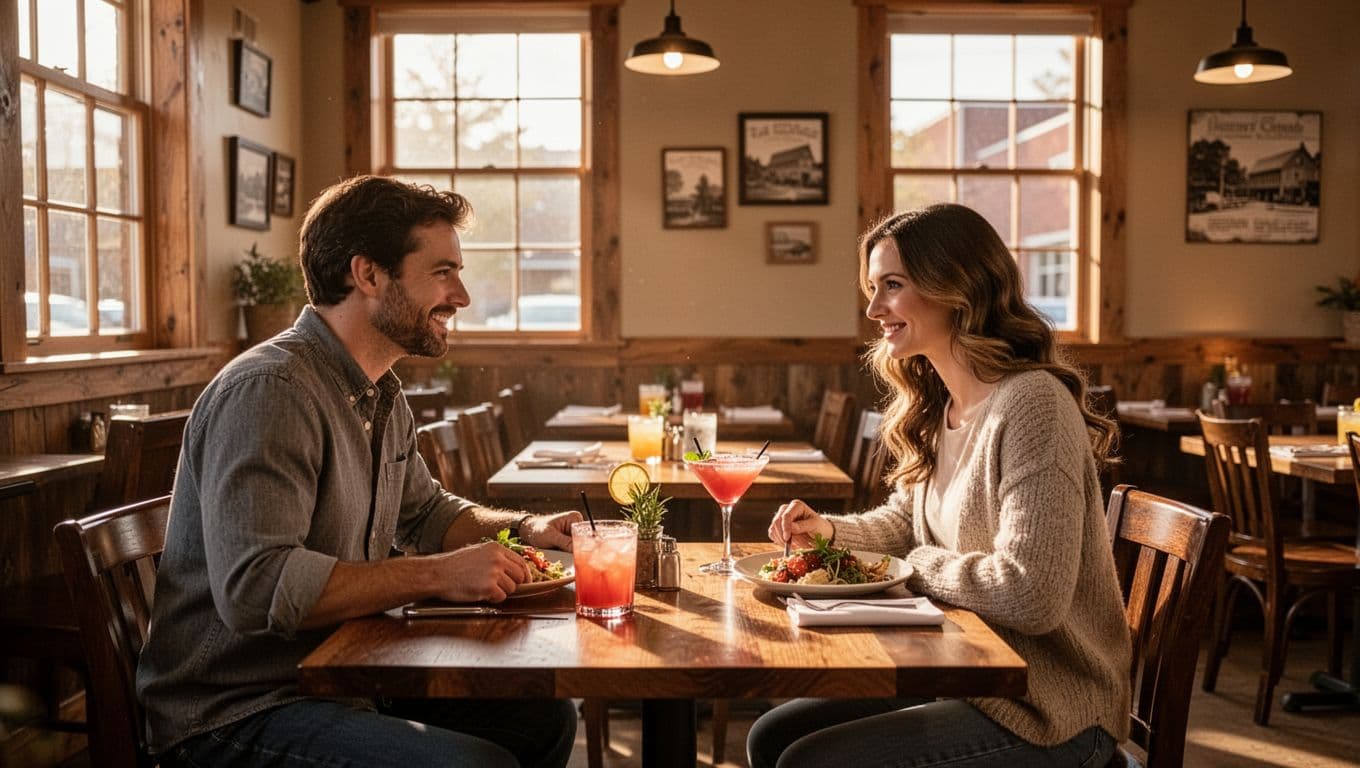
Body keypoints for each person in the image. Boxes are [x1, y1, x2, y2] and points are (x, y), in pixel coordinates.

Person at [137, 175, 580, 768]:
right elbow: (258, 587)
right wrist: (436, 575)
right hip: (236, 711)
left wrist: (527, 528)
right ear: (367, 274)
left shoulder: (380, 392)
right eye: (442, 272)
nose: (462, 296)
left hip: (344, 679)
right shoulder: (271, 391)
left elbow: (424, 512)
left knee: (544, 716)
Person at [749, 203, 1130, 768]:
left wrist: (912, 568)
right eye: (873, 288)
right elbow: (908, 522)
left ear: (956, 287)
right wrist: (829, 533)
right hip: (968, 676)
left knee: (810, 762)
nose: (874, 308)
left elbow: (1032, 593)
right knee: (772, 737)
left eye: (893, 286)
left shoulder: (1033, 405)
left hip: (1051, 712)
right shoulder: (944, 405)